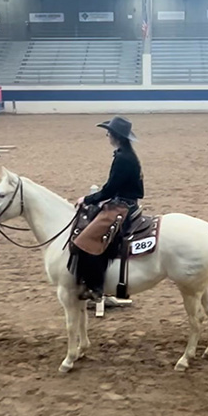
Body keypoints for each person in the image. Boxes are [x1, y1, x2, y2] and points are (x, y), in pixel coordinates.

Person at [70, 116, 144, 301]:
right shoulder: (126, 155)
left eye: (109, 133)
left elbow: (109, 189)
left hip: (122, 206)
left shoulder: (123, 158)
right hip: (126, 201)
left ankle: (95, 287)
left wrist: (87, 199)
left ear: (115, 136)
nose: (107, 135)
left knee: (86, 239)